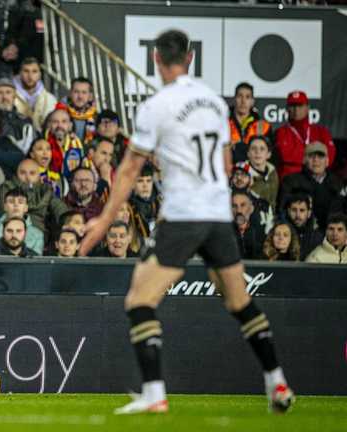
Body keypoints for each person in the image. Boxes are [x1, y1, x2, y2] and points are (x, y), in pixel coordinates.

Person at [79, 30, 293, 414]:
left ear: (156, 59)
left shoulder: (157, 105)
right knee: (238, 301)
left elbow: (128, 171)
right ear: (190, 59)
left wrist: (101, 222)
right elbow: (226, 164)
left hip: (183, 214)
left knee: (139, 299)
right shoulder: (213, 101)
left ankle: (154, 392)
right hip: (218, 214)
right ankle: (276, 381)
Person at [278, 142, 343, 231]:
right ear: (304, 160)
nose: (316, 160)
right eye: (311, 156)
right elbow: (282, 211)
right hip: (299, 234)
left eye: (320, 156)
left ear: (327, 161)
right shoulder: (291, 181)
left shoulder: (337, 183)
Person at [274, 90, 336, 179]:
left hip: (317, 178)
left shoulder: (321, 131)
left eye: (300, 105)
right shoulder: (280, 132)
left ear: (308, 107)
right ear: (287, 108)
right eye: (293, 106)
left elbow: (329, 156)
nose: (296, 109)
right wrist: (315, 158)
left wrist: (299, 155)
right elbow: (284, 156)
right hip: (290, 180)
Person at [0, 188, 43, 255]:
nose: (16, 205)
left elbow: (36, 261)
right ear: (5, 206)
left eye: (20, 202)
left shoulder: (37, 234)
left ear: (26, 207)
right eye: (11, 201)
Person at [228, 82, 272, 164]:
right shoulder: (222, 123)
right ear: (234, 99)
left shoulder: (263, 126)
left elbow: (267, 156)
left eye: (247, 97)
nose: (243, 101)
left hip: (253, 173)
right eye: (240, 96)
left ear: (252, 101)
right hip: (228, 171)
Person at [13, 57, 57, 132]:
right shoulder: (9, 96)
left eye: (34, 71)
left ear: (40, 74)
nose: (30, 76)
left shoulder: (50, 99)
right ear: (20, 73)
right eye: (26, 71)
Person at [56, 77, 96, 145]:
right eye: (76, 92)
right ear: (70, 93)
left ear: (90, 96)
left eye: (84, 92)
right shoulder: (59, 114)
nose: (80, 96)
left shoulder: (96, 117)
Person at [283, 193, 323, 258]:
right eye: (294, 210)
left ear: (309, 213)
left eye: (302, 210)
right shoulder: (280, 234)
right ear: (288, 211)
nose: (298, 215)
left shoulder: (317, 238)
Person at [246, 136, 279, 210]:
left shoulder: (273, 172)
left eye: (262, 149)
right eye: (253, 148)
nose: (257, 152)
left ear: (268, 154)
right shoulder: (241, 174)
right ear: (248, 153)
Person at [232, 190, 265, 260]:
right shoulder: (221, 234)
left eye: (243, 205)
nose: (239, 210)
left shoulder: (261, 234)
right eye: (234, 206)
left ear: (251, 209)